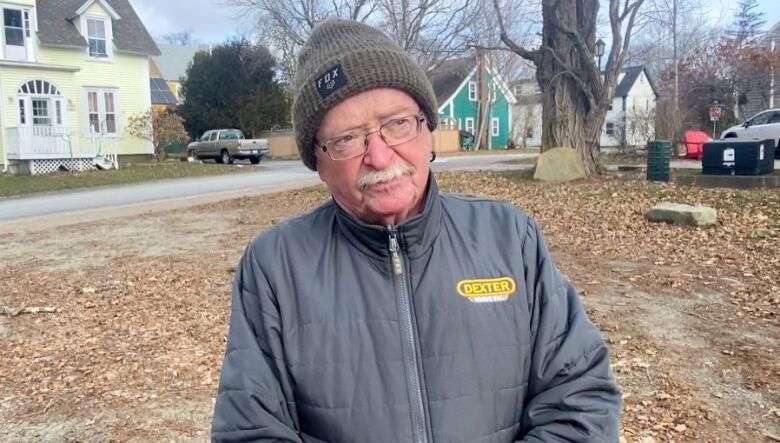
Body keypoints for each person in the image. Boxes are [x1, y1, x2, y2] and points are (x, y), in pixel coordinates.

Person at [212, 18, 621, 443]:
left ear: (428, 132)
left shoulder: (509, 239)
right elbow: (250, 431)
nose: (378, 154)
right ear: (319, 163)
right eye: (347, 139)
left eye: (397, 124)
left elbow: (580, 401)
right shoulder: (275, 268)